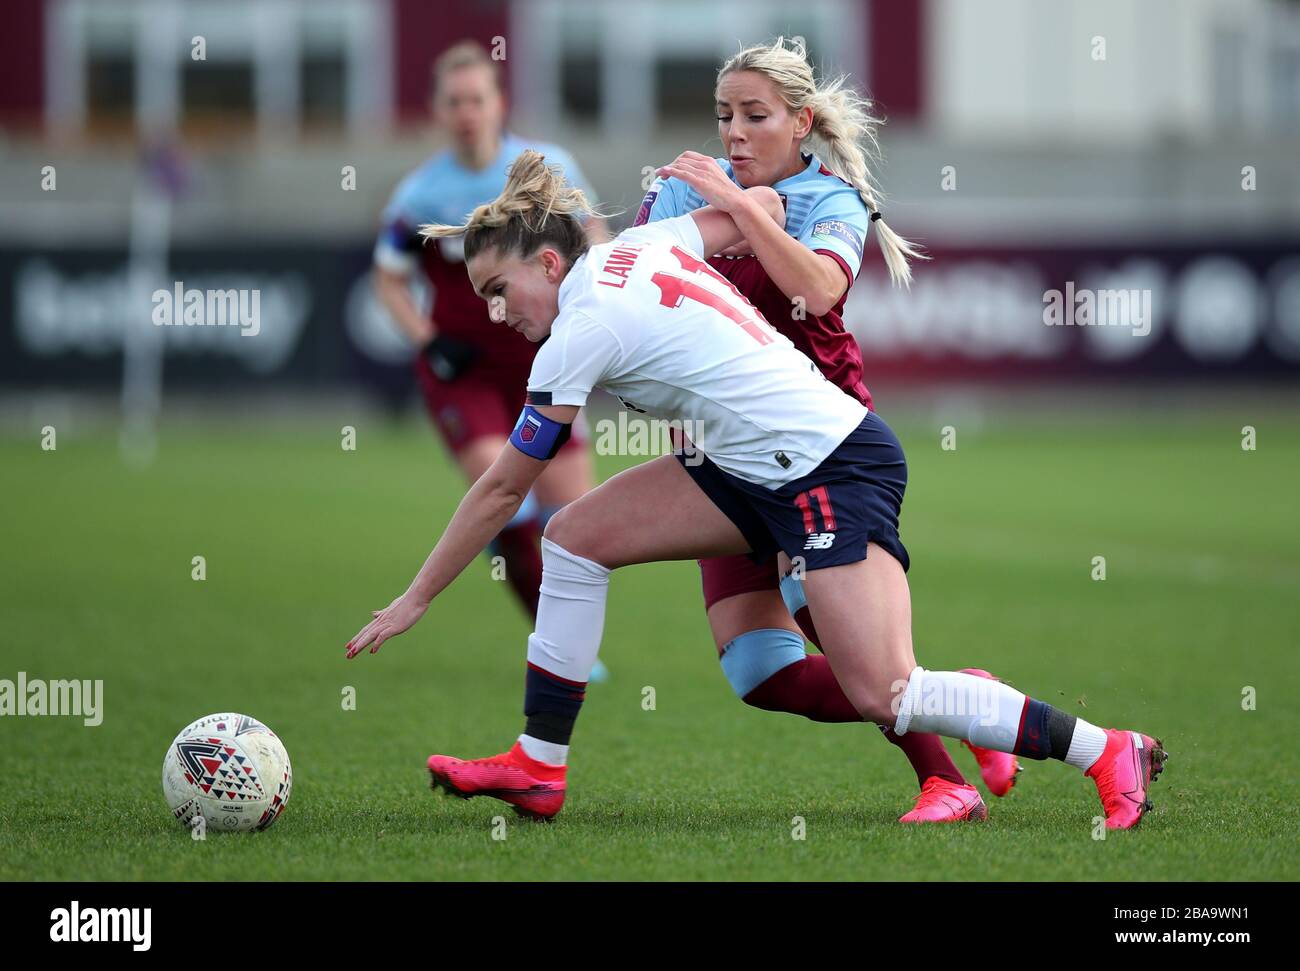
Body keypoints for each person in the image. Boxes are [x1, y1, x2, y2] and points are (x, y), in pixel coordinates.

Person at [346, 149, 1168, 833]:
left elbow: (499, 493)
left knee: (887, 689)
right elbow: (751, 214)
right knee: (572, 540)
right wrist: (740, 194)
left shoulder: (579, 329)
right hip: (748, 467)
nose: (494, 313)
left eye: (498, 290)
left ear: (550, 262)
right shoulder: (642, 247)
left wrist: (416, 596)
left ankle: (1105, 748)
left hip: (828, 466)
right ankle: (538, 766)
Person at [632, 37, 1012, 821]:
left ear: (800, 121)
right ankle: (965, 699)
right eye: (723, 115)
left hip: (817, 452)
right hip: (716, 454)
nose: (733, 132)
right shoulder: (679, 193)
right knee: (761, 675)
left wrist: (739, 210)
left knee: (851, 651)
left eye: (754, 115)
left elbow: (816, 286)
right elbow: (630, 285)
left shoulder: (830, 201)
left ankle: (945, 781)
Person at [373, 41, 608, 679]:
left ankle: (570, 650)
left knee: (574, 523)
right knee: (504, 492)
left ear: (499, 103)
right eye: (454, 102)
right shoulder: (421, 194)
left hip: (545, 363)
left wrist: (597, 309)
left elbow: (596, 237)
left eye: (477, 99)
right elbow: (388, 276)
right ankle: (555, 647)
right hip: (465, 370)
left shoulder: (545, 168)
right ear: (438, 111)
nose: (467, 112)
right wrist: (426, 337)